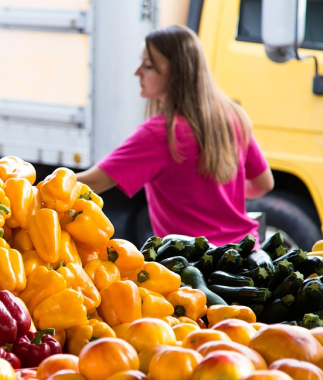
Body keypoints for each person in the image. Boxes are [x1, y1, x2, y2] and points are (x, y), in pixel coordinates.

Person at [77, 25, 274, 246]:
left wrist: (43, 184)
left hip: (193, 260)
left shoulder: (160, 133)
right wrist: (220, 195)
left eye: (148, 66)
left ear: (176, 74)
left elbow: (92, 182)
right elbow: (263, 184)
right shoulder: (232, 116)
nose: (137, 73)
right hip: (244, 254)